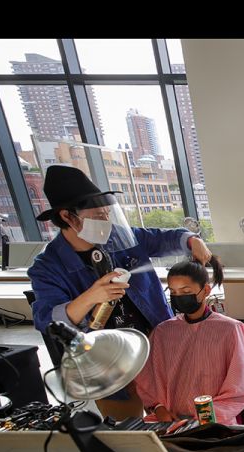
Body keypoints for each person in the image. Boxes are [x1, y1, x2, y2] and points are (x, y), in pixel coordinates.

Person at [28, 165, 212, 419]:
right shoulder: (48, 267)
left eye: (107, 213)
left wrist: (192, 240)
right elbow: (47, 320)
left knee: (179, 415)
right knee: (130, 430)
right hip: (109, 363)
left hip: (157, 348)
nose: (106, 221)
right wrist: (91, 296)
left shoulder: (120, 238)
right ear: (68, 217)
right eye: (98, 216)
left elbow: (162, 238)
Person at [135, 257, 244, 426]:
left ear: (206, 290)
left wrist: (204, 418)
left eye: (185, 291)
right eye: (173, 292)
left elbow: (238, 386)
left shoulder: (230, 329)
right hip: (170, 420)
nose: (179, 297)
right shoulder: (163, 331)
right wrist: (159, 408)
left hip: (213, 419)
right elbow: (148, 378)